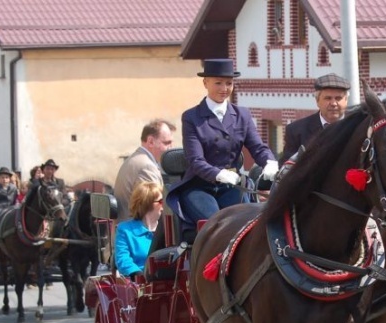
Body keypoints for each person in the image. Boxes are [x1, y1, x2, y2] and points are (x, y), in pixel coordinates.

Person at [167, 58, 277, 229]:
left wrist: (269, 162)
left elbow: (257, 147)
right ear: (206, 83)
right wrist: (219, 174)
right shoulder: (191, 117)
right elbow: (195, 160)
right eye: (218, 83)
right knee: (218, 224)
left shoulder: (242, 115)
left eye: (229, 83)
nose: (224, 89)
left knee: (244, 223)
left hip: (232, 185)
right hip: (199, 186)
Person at [279, 73, 350, 163]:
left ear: (346, 100)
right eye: (328, 98)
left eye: (338, 98)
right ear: (317, 101)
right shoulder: (296, 131)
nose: (333, 103)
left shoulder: (358, 126)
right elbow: (287, 169)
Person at [114, 118, 176, 208]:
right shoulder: (147, 167)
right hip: (138, 222)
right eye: (166, 143)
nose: (171, 148)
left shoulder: (135, 159)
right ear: (150, 141)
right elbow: (155, 208)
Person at [115, 181, 164, 280]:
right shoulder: (124, 230)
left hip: (166, 281)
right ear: (148, 203)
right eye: (161, 201)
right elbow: (123, 259)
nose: (164, 206)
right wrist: (138, 275)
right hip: (137, 284)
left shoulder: (167, 229)